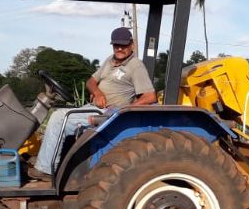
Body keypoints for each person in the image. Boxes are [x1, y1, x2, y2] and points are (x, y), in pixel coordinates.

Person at [29, 27, 157, 181]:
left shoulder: (135, 66)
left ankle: (45, 170)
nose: (120, 49)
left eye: (123, 45)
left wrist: (122, 110)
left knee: (58, 118)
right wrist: (98, 93)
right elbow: (91, 82)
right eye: (116, 45)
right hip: (94, 107)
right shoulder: (110, 61)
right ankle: (45, 159)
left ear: (132, 45)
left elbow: (150, 96)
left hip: (107, 114)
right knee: (60, 114)